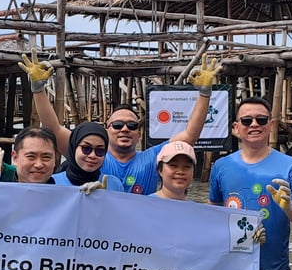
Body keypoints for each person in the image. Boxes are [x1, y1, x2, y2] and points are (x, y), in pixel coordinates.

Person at [20, 51, 219, 194]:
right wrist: (38, 88)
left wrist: (204, 94)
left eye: (132, 126)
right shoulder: (92, 155)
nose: (124, 129)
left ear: (139, 134)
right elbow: (52, 128)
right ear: (107, 130)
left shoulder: (152, 158)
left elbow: (189, 136)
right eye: (117, 125)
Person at [208, 97, 292, 270]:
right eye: (247, 121)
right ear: (236, 127)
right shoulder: (220, 166)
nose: (254, 124)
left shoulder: (291, 167)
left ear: (271, 125)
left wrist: (289, 207)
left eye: (261, 119)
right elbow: (213, 216)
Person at [52, 121, 125, 193]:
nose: (92, 155)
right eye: (86, 149)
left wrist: (104, 197)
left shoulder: (114, 185)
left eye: (99, 151)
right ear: (74, 147)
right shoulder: (52, 183)